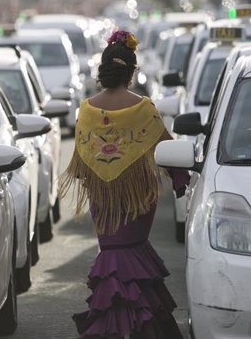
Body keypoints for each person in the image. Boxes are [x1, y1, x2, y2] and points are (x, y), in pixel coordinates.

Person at [59, 29, 189, 339]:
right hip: (139, 198)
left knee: (113, 253)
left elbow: (81, 164)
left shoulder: (87, 110)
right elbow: (167, 149)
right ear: (131, 72)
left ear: (103, 71)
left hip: (102, 199)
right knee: (134, 251)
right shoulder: (143, 107)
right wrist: (180, 180)